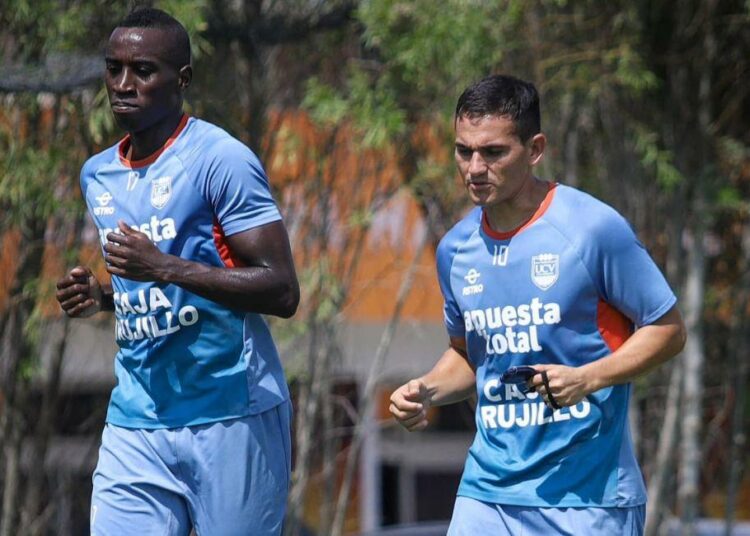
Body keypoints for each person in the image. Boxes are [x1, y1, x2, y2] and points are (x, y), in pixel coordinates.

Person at [389, 74, 686, 535]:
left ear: (535, 149)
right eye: (463, 151)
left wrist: (588, 378)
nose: (474, 168)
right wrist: (425, 390)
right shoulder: (455, 248)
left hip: (587, 498)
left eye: (493, 152)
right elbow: (471, 355)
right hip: (487, 492)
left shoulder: (592, 230)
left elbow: (667, 329)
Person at [55, 8, 299, 535]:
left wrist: (164, 267)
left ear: (181, 79)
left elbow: (281, 290)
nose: (124, 85)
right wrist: (102, 295)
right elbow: (149, 287)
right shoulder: (97, 173)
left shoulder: (220, 159)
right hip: (137, 419)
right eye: (113, 69)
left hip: (231, 411)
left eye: (143, 71)